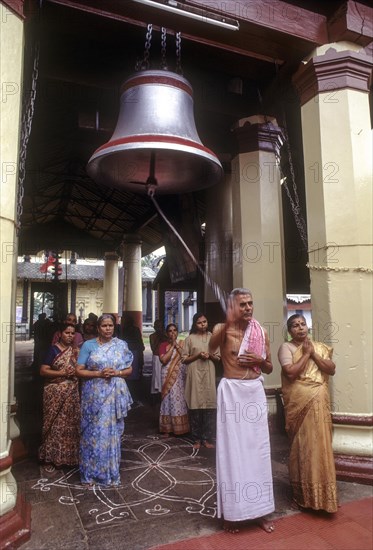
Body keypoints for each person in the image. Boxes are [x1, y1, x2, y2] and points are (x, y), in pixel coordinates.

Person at [209, 288, 275, 534]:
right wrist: (227, 322)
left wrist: (258, 361)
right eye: (243, 305)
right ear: (233, 307)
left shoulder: (261, 331)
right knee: (232, 452)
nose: (248, 308)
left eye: (250, 303)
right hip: (232, 392)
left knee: (258, 452)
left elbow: (268, 367)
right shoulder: (222, 329)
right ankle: (233, 513)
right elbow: (212, 345)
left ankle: (261, 511)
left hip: (254, 392)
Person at [278, 314, 337, 513]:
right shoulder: (286, 348)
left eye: (303, 324)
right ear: (289, 331)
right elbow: (291, 373)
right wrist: (305, 354)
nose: (300, 328)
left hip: (320, 405)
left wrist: (313, 354)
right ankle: (302, 495)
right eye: (295, 325)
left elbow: (331, 369)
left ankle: (324, 498)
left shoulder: (318, 347)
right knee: (302, 448)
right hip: (300, 407)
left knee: (321, 446)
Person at [76, 313, 133, 487]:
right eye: (104, 326)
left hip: (113, 396)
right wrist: (98, 374)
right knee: (92, 433)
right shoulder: (88, 345)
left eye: (110, 325)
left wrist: (117, 373)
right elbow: (79, 370)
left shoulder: (121, 345)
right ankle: (89, 474)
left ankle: (110, 473)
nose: (108, 329)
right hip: (93, 395)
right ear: (98, 328)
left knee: (110, 433)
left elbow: (129, 369)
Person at [38, 323, 80, 467]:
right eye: (67, 333)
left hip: (71, 393)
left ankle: (69, 458)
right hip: (54, 392)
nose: (70, 336)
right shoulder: (53, 350)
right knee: (55, 425)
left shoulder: (75, 351)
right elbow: (43, 371)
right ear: (60, 333)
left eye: (72, 333)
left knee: (70, 425)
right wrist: (62, 373)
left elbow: (81, 368)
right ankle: (52, 456)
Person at [182, 313, 220, 449]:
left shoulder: (213, 338)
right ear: (195, 324)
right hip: (195, 373)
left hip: (209, 372)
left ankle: (207, 438)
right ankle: (196, 439)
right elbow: (184, 359)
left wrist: (210, 355)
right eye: (199, 322)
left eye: (205, 322)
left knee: (209, 405)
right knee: (195, 405)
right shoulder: (190, 339)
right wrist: (197, 355)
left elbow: (218, 358)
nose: (203, 324)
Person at [159, 323, 190, 437]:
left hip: (179, 375)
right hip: (167, 374)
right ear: (167, 334)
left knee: (179, 398)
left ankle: (180, 427)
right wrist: (172, 346)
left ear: (177, 332)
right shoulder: (163, 345)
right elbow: (164, 360)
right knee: (167, 399)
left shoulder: (183, 343)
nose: (172, 333)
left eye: (174, 330)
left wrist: (176, 345)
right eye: (170, 331)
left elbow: (185, 356)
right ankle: (167, 428)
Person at [120, 313, 145, 405]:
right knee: (133, 377)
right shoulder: (134, 330)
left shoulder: (125, 330)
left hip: (130, 353)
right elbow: (139, 342)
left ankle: (130, 398)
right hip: (133, 352)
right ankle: (133, 398)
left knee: (130, 377)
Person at [149, 319, 168, 401]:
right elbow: (154, 348)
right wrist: (159, 337)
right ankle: (156, 395)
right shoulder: (152, 336)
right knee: (156, 376)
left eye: (160, 326)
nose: (159, 328)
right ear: (154, 327)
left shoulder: (166, 336)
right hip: (156, 357)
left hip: (164, 357)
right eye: (157, 326)